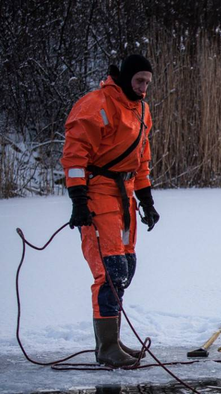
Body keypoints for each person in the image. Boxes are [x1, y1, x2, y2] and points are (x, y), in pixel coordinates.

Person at [61, 54, 160, 368]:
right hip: (98, 193)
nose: (143, 87)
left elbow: (141, 161)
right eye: (139, 80)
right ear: (126, 77)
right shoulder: (96, 105)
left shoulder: (142, 111)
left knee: (126, 267)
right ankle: (106, 348)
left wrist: (147, 202)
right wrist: (78, 200)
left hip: (126, 195)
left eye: (147, 81)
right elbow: (75, 155)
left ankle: (114, 340)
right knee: (109, 271)